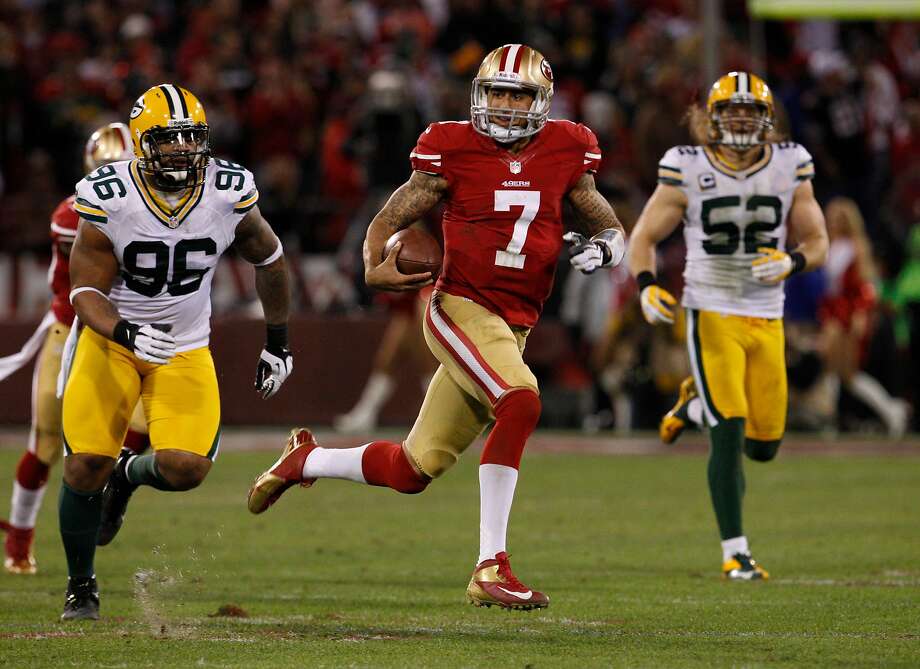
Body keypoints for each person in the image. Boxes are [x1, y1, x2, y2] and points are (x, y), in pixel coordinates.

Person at [248, 44, 626, 610]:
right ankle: (491, 565)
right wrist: (374, 261)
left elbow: (601, 214)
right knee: (520, 400)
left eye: (515, 94)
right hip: (461, 307)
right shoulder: (452, 148)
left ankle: (306, 459)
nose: (502, 104)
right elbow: (390, 215)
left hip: (515, 322)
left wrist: (607, 247)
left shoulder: (567, 147)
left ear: (539, 101)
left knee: (412, 469)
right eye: (495, 92)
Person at [58, 84, 292, 621]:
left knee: (187, 468)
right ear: (142, 143)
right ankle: (81, 583)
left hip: (184, 347)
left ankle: (128, 475)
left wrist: (278, 343)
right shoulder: (109, 192)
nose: (184, 151)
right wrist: (126, 334)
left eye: (192, 139)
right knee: (84, 463)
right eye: (170, 140)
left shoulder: (228, 190)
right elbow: (84, 291)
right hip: (111, 342)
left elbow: (271, 258)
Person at [628, 72, 828, 580]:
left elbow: (818, 241)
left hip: (767, 315)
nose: (740, 121)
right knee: (729, 429)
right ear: (709, 119)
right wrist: (647, 285)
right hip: (709, 309)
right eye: (730, 112)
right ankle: (735, 552)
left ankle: (694, 403)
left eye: (750, 112)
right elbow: (643, 237)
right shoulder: (687, 166)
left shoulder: (789, 163)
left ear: (767, 121)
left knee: (764, 447)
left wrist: (792, 263)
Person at [0, 123, 150, 575]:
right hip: (71, 331)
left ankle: (111, 489)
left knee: (139, 432)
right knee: (45, 440)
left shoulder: (160, 214)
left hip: (129, 337)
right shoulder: (71, 215)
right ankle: (20, 541)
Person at [818, 197, 909, 436]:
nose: (835, 223)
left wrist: (860, 316)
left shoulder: (856, 248)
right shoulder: (829, 245)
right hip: (833, 312)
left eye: (840, 218)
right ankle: (833, 418)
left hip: (847, 315)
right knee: (834, 370)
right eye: (832, 218)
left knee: (847, 373)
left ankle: (891, 410)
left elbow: (865, 287)